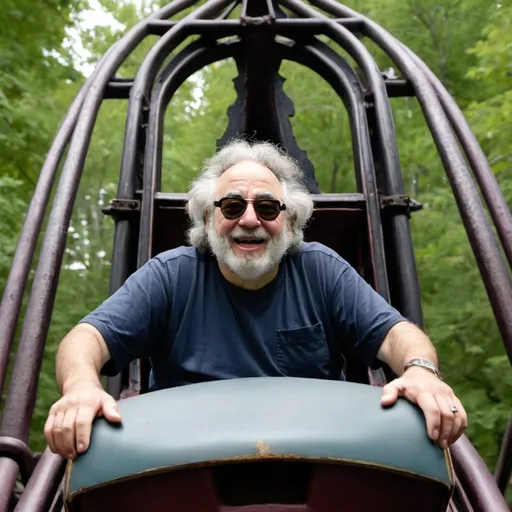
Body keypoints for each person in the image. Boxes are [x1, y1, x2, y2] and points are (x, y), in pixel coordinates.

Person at [44, 139, 467, 460]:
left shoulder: (320, 270)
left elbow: (398, 335)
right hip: (186, 464)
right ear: (209, 218)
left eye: (267, 207)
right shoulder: (173, 274)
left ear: (289, 220)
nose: (249, 219)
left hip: (311, 463)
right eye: (231, 206)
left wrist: (421, 372)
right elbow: (86, 339)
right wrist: (81, 387)